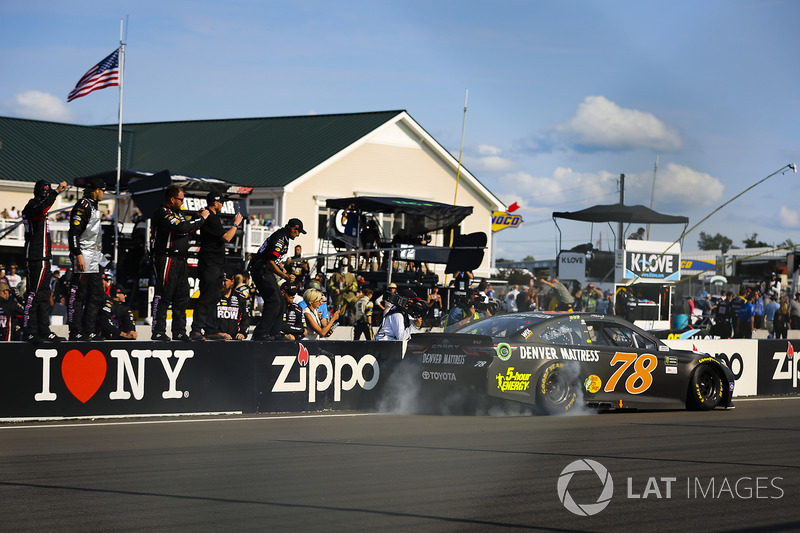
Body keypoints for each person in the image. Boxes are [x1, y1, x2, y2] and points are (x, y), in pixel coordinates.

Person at [150, 184, 209, 342]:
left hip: (181, 260)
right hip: (166, 258)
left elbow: (187, 228)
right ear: (172, 199)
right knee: (164, 295)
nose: (183, 202)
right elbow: (181, 227)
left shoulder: (178, 213)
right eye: (181, 199)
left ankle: (179, 331)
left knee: (182, 296)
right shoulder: (163, 212)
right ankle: (158, 330)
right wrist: (201, 218)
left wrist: (196, 218)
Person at [190, 191, 243, 340]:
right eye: (221, 202)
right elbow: (227, 237)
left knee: (214, 297)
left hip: (215, 264)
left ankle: (211, 329)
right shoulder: (211, 218)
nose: (222, 205)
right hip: (210, 264)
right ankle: (196, 330)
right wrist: (235, 224)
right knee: (207, 297)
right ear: (215, 202)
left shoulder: (211, 217)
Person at [22, 179, 68, 343]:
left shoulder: (35, 207)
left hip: (43, 257)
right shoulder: (32, 207)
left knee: (43, 295)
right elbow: (41, 210)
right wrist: (56, 192)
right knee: (33, 295)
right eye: (47, 194)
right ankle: (29, 330)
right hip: (36, 257)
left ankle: (43, 329)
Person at [249, 218, 305, 340]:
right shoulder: (280, 239)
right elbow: (269, 262)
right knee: (273, 301)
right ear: (292, 228)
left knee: (281, 301)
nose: (298, 234)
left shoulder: (284, 236)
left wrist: (280, 266)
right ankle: (261, 332)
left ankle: (274, 332)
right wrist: (285, 276)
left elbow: (273, 257)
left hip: (265, 269)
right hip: (261, 269)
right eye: (298, 231)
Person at [67, 177, 107, 341]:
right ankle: (75, 331)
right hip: (83, 256)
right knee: (78, 296)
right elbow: (74, 232)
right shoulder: (83, 206)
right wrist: (78, 255)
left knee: (96, 295)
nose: (104, 194)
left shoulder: (94, 206)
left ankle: (89, 330)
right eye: (103, 190)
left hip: (95, 257)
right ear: (96, 190)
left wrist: (102, 265)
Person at [209, 271, 250, 340]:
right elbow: (207, 319)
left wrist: (242, 333)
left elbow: (246, 318)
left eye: (225, 281)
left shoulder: (240, 297)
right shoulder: (212, 297)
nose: (222, 284)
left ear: (232, 281)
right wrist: (217, 333)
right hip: (216, 339)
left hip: (235, 339)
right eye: (221, 281)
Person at [328, 258, 358, 324]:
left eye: (346, 266)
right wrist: (334, 289)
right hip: (339, 297)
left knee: (356, 304)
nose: (344, 267)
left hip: (350, 296)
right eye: (343, 265)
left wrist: (352, 287)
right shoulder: (335, 275)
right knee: (339, 313)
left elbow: (355, 285)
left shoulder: (351, 276)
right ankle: (340, 323)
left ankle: (354, 322)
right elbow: (330, 285)